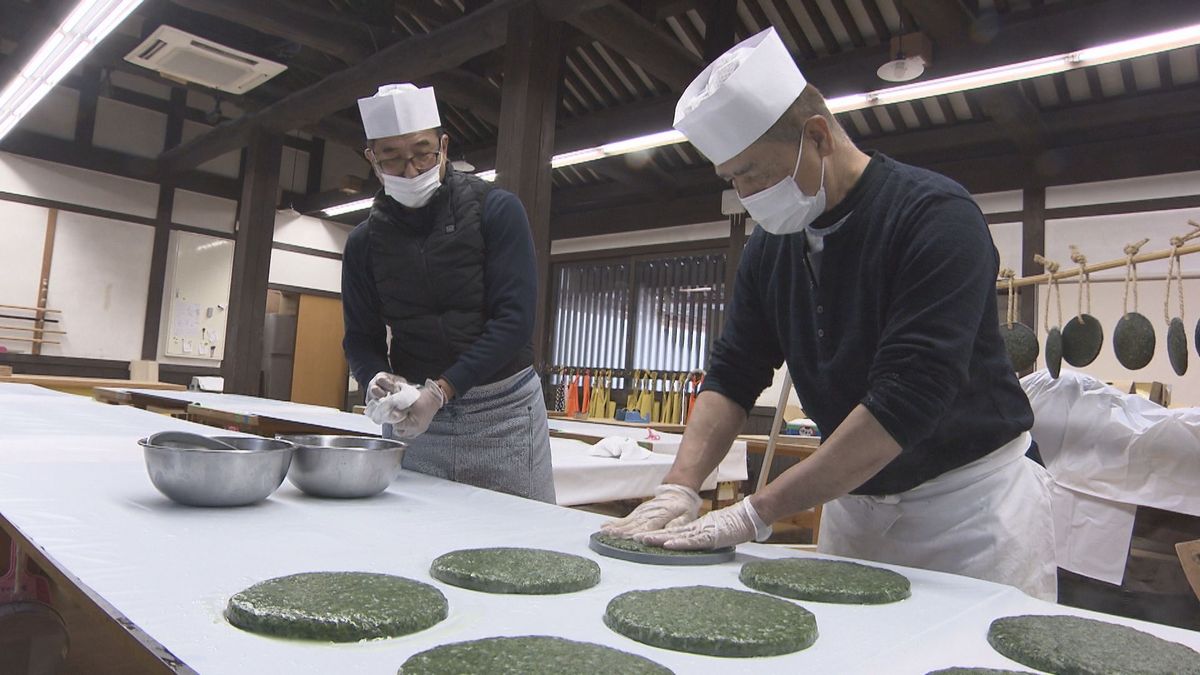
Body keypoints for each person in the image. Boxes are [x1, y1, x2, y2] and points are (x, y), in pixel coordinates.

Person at [603, 29, 1056, 600]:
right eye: (732, 180)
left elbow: (906, 400)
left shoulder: (936, 218)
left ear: (816, 137)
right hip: (853, 504)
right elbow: (733, 372)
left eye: (751, 173)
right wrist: (680, 487)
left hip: (971, 512)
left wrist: (754, 513)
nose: (745, 195)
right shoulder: (772, 247)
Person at [341, 83, 555, 503]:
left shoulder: (497, 210)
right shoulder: (364, 243)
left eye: (422, 153)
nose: (410, 170)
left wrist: (442, 390)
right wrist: (375, 379)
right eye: (392, 158)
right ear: (372, 158)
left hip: (504, 412)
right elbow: (360, 337)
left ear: (443, 145)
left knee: (518, 542)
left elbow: (514, 321)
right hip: (415, 418)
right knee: (417, 536)